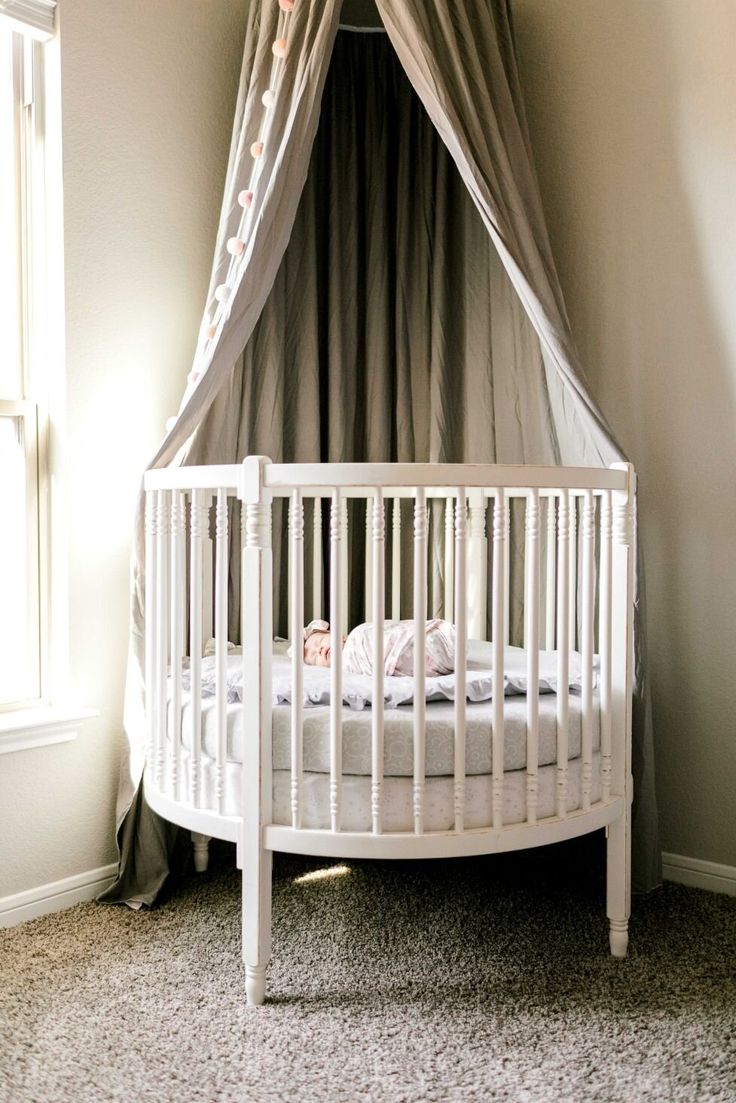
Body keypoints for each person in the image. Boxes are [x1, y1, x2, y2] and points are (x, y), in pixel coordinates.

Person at [302, 618, 456, 677]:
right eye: (315, 657)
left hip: (430, 639)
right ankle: (439, 656)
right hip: (423, 659)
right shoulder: (346, 668)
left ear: (341, 636)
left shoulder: (357, 636)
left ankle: (440, 642)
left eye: (320, 641)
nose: (320, 650)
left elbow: (391, 629)